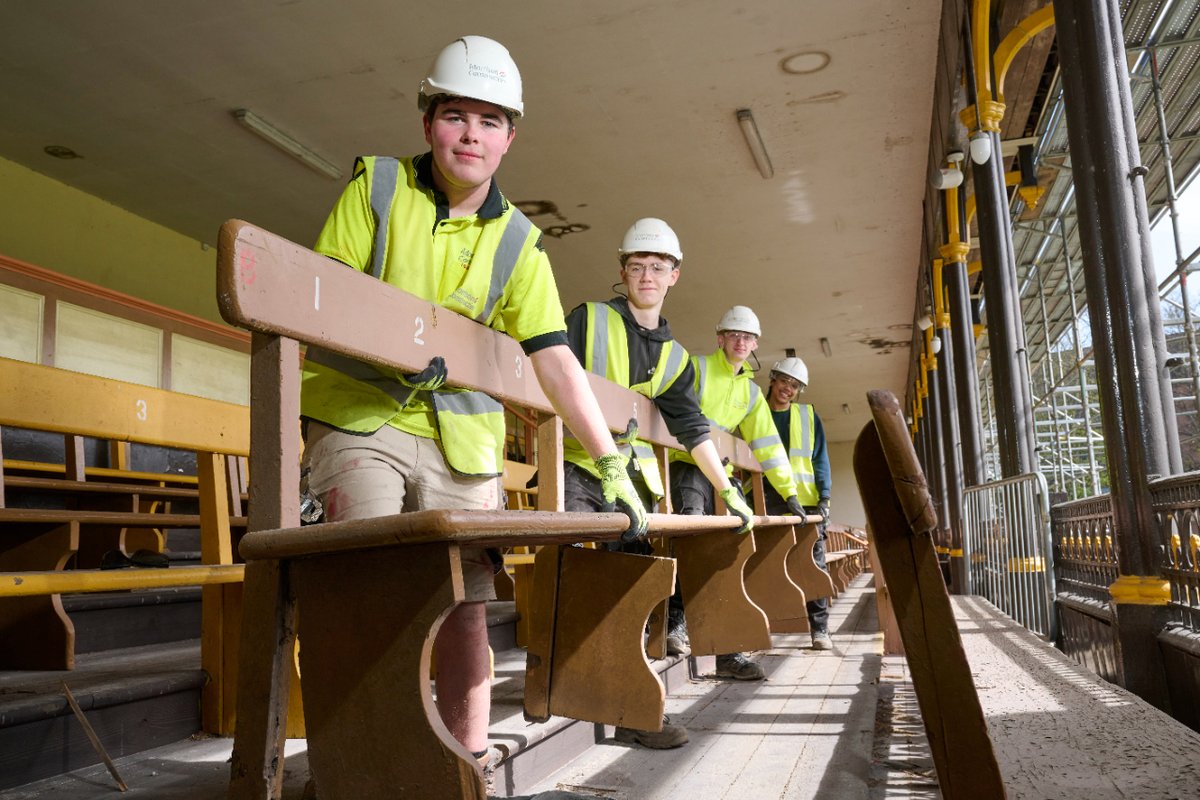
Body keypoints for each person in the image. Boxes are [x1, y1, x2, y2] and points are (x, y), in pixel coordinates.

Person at [299, 35, 648, 789]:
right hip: (360, 417)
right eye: (456, 115)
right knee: (368, 593)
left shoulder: (520, 241)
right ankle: (361, 770)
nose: (470, 135)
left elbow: (554, 359)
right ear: (429, 122)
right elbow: (328, 295)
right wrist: (407, 345)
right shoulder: (378, 187)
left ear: (509, 138)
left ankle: (464, 769)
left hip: (461, 441)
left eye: (490, 122)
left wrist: (610, 461)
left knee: (464, 608)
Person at [561, 217, 757, 749]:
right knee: (581, 584)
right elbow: (553, 378)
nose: (646, 275)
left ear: (675, 276)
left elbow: (692, 429)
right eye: (636, 266)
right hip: (577, 469)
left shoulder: (674, 358)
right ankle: (571, 690)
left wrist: (727, 488)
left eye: (657, 267)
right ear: (623, 271)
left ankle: (628, 707)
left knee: (634, 592)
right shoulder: (588, 319)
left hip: (630, 481)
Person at [667, 305, 806, 680]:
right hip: (686, 465)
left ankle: (727, 649)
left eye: (747, 337)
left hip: (721, 477)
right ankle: (674, 624)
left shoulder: (750, 392)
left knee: (734, 546)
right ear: (720, 339)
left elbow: (767, 443)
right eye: (734, 335)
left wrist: (789, 493)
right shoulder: (696, 368)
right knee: (692, 537)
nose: (741, 342)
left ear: (755, 344)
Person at [764, 356, 834, 650]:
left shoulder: (807, 416)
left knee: (812, 565)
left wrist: (825, 497)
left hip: (806, 502)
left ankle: (820, 630)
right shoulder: (756, 412)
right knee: (764, 563)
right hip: (766, 498)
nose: (788, 389)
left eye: (794, 386)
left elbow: (820, 458)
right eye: (784, 381)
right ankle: (764, 627)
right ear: (773, 380)